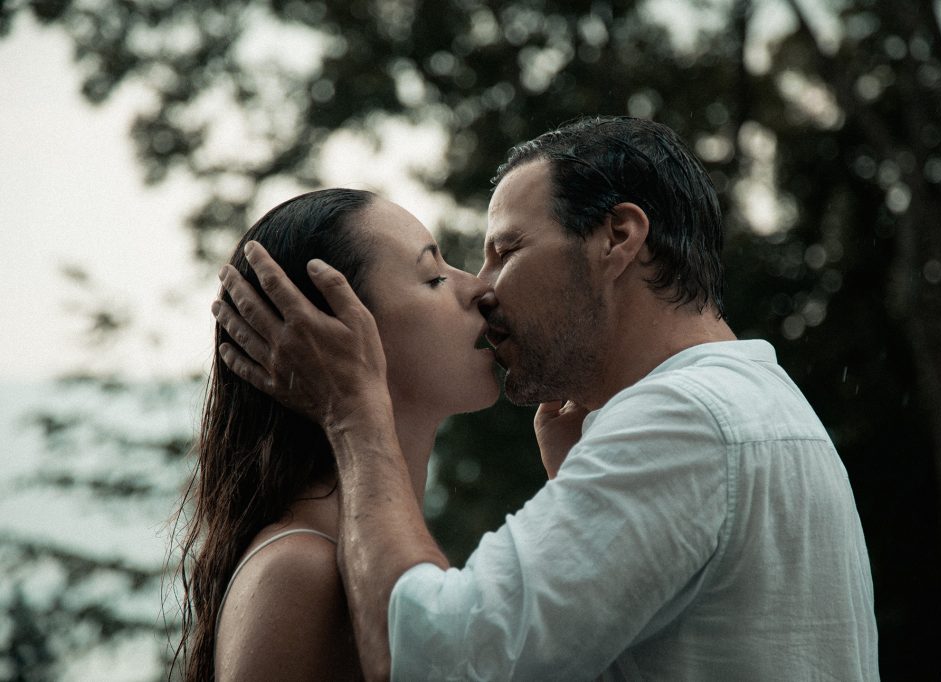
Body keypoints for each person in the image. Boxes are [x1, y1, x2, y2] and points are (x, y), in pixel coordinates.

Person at [216, 116, 880, 680]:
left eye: (506, 250)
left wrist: (356, 418)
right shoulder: (757, 404)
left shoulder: (685, 422)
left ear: (617, 237)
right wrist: (581, 482)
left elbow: (437, 656)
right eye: (435, 276)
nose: (482, 288)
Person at [173, 188, 503, 681]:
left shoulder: (364, 562)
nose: (479, 289)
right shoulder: (300, 571)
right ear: (327, 338)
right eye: (434, 277)